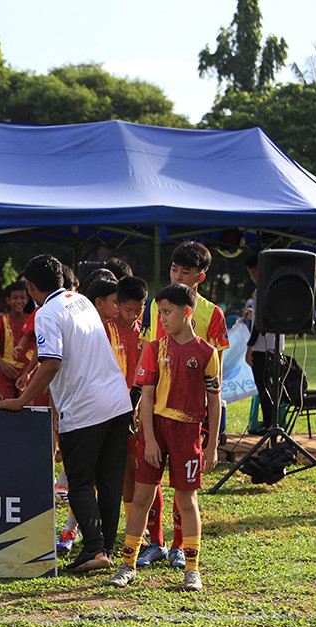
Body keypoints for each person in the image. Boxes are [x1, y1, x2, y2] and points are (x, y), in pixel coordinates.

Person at [0, 254, 131, 572]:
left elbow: (53, 361)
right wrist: (32, 368)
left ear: (29, 286)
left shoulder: (45, 313)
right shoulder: (80, 300)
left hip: (84, 409)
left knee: (80, 481)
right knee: (109, 482)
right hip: (117, 402)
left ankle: (95, 549)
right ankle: (104, 548)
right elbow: (60, 348)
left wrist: (21, 399)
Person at [109, 284, 221, 592]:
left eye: (168, 312)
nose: (163, 318)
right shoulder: (154, 348)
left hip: (188, 433)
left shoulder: (207, 353)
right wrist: (151, 439)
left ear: (187, 312)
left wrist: (211, 446)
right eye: (160, 312)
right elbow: (145, 397)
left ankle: (193, 569)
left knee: (187, 500)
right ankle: (128, 564)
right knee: (142, 497)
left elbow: (214, 401)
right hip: (155, 430)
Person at [140, 241, 228, 569]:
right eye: (174, 269)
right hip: (155, 406)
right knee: (148, 477)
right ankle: (155, 541)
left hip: (190, 414)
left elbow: (216, 370)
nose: (177, 275)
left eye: (185, 271)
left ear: (200, 277)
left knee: (183, 484)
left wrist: (213, 436)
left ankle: (180, 545)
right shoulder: (157, 304)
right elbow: (151, 347)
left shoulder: (213, 314)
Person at [104, 276, 152, 559]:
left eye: (138, 310)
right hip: (110, 411)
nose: (133, 315)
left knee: (137, 470)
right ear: (116, 304)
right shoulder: (103, 331)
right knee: (112, 472)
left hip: (139, 413)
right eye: (127, 310)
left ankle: (141, 531)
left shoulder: (147, 335)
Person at [244, 254, 283, 434]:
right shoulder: (276, 288)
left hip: (262, 346)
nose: (252, 276)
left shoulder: (261, 290)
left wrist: (249, 347)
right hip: (275, 344)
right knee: (268, 385)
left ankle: (269, 423)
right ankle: (270, 422)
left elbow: (260, 324)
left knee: (263, 386)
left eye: (253, 272)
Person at [0, 282, 30, 401]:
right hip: (5, 371)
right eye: (15, 298)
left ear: (27, 300)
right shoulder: (0, 320)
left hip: (25, 371)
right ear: (8, 300)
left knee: (26, 407)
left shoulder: (32, 320)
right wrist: (2, 363)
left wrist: (28, 371)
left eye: (22, 297)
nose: (19, 301)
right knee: (5, 409)